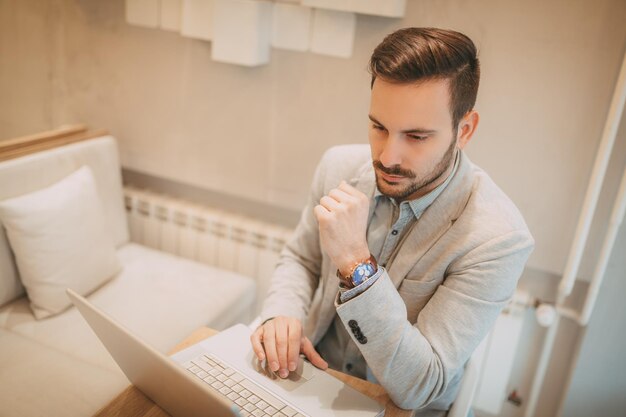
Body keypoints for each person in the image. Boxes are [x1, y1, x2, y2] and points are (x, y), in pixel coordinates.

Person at [250, 27, 534, 416]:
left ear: (463, 130)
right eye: (378, 127)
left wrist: (356, 263)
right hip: (310, 380)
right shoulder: (337, 165)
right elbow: (301, 259)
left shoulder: (498, 238)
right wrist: (281, 314)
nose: (387, 156)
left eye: (416, 136)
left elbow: (421, 385)